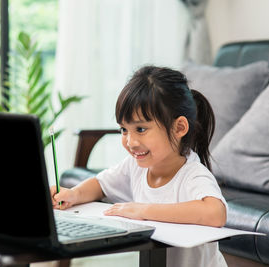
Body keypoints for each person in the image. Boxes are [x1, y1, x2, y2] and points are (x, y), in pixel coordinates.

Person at [51, 65, 228, 267]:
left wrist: (144, 210)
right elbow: (101, 184)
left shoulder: (193, 174)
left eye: (141, 129)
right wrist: (73, 195)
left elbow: (216, 214)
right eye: (124, 130)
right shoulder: (135, 166)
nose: (130, 141)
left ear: (179, 127)